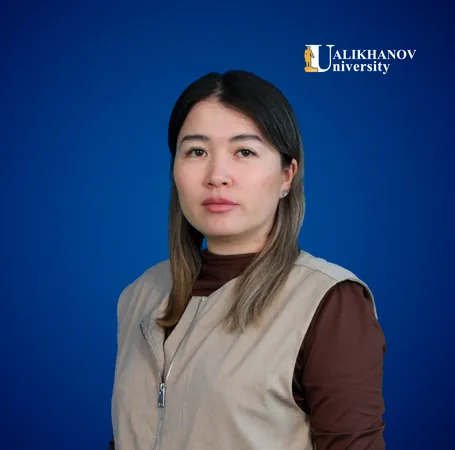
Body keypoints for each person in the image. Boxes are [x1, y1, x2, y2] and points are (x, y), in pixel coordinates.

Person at [109, 70, 386, 450]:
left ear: (287, 175)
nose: (217, 176)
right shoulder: (140, 294)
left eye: (244, 152)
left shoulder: (329, 302)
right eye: (196, 151)